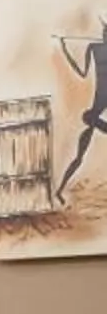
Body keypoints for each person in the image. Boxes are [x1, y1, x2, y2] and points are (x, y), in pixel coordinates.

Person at [60, 16, 107, 200]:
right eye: (104, 32)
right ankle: (61, 188)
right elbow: (82, 72)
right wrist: (65, 50)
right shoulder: (93, 48)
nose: (104, 35)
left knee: (90, 122)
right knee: (81, 149)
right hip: (100, 97)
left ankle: (60, 189)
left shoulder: (95, 48)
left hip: (100, 99)